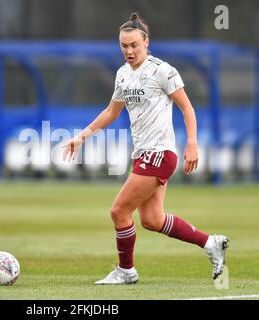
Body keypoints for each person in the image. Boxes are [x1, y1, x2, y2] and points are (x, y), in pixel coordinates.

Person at [62, 12, 229, 285]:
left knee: (118, 211)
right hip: (142, 155)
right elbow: (111, 112)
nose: (129, 51)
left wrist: (192, 144)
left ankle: (126, 270)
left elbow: (187, 108)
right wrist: (82, 136)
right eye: (124, 46)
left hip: (160, 153)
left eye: (134, 45)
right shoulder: (123, 75)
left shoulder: (162, 70)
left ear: (146, 42)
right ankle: (211, 243)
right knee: (152, 219)